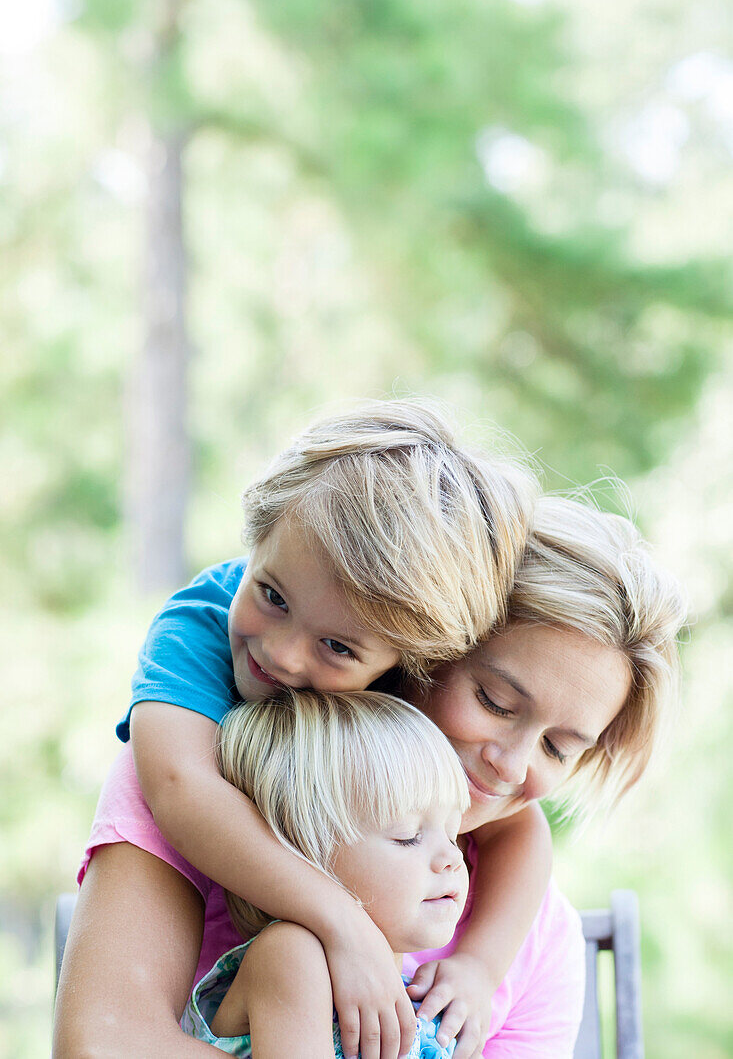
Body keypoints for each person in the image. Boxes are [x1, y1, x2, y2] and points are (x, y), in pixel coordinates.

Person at [53, 493, 686, 1059]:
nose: (513, 766)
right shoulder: (205, 791)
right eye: (492, 701)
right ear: (412, 643)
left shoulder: (527, 931)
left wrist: (484, 967)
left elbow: (524, 830)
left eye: (558, 747)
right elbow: (102, 1045)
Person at [111, 397, 548, 1059]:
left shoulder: (401, 691)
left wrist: (480, 967)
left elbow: (520, 825)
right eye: (272, 595)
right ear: (256, 541)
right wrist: (341, 923)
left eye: (339, 648)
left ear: (408, 665)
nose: (282, 654)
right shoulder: (199, 626)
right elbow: (179, 785)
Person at [180, 688, 471, 1058]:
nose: (452, 857)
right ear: (302, 858)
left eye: (452, 833)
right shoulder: (290, 954)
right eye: (408, 836)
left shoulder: (428, 1001)